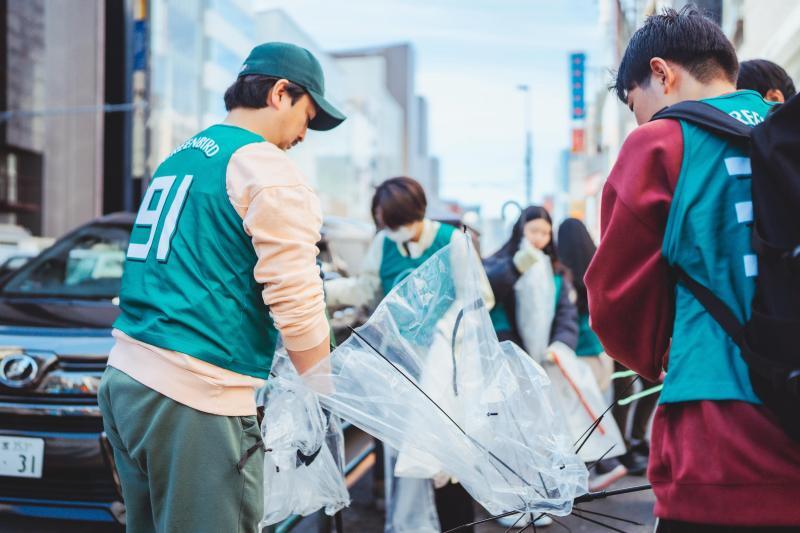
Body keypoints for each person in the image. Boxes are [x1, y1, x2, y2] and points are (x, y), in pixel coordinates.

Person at [98, 42, 346, 533]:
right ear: (280, 93)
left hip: (127, 379)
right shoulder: (265, 167)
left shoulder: (183, 156)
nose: (303, 134)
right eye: (307, 115)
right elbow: (296, 299)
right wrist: (324, 397)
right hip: (193, 396)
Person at [585, 7, 800, 531]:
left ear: (661, 73)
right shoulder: (786, 129)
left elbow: (616, 306)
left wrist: (656, 357)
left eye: (635, 104)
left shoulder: (660, 143)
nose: (639, 121)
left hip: (720, 433)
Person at [326, 176, 493, 533]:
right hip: (401, 366)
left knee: (450, 455)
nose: (395, 231)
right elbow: (366, 288)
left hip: (447, 371)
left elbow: (479, 298)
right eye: (388, 224)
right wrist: (323, 291)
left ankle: (456, 527)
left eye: (399, 222)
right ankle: (412, 525)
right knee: (408, 456)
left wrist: (446, 333)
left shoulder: (453, 241)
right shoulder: (383, 242)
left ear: (417, 212)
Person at [483, 206, 580, 529]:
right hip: (507, 364)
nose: (539, 237)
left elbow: (566, 315)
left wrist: (560, 344)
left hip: (541, 366)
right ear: (520, 230)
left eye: (545, 232)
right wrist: (514, 268)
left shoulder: (557, 271)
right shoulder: (501, 262)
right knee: (507, 433)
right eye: (533, 230)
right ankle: (509, 502)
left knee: (539, 435)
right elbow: (487, 296)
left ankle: (537, 499)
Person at [557, 218, 630, 487]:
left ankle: (605, 464)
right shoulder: (598, 265)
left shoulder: (564, 274)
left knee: (580, 414)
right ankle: (595, 468)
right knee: (589, 411)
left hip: (580, 354)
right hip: (601, 354)